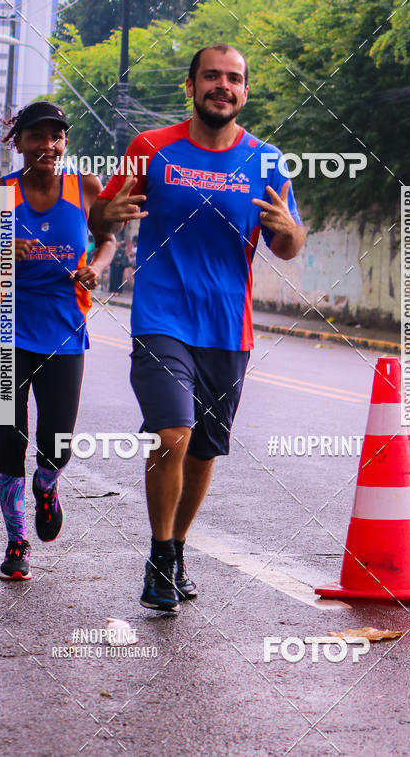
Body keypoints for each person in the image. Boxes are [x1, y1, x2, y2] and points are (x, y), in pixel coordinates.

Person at [90, 44, 305, 612]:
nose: (222, 86)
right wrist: (105, 215)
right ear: (191, 87)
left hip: (227, 329)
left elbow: (288, 244)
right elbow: (102, 214)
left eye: (234, 78)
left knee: (204, 450)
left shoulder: (266, 161)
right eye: (211, 76)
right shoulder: (150, 148)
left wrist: (288, 229)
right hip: (161, 317)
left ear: (245, 91)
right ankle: (160, 556)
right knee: (172, 433)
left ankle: (177, 549)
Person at [0, 101, 115, 581]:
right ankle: (17, 541)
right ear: (19, 142)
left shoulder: (84, 187)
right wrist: (3, 250)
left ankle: (47, 486)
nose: (48, 145)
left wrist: (97, 267)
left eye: (57, 136)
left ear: (64, 142)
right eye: (37, 136)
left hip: (64, 333)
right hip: (4, 333)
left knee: (57, 443)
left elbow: (108, 238)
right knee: (9, 443)